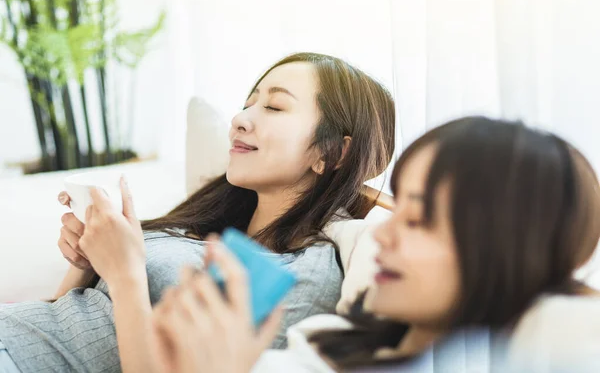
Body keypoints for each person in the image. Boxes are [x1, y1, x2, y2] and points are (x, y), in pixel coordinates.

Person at [0, 52, 396, 373]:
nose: (240, 119)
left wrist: (124, 273)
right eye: (248, 102)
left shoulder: (299, 274)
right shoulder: (213, 226)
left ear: (333, 152)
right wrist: (90, 261)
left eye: (274, 107)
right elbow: (60, 327)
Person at [151, 116, 600, 373]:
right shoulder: (329, 341)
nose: (382, 230)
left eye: (420, 219)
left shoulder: (554, 336)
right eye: (397, 206)